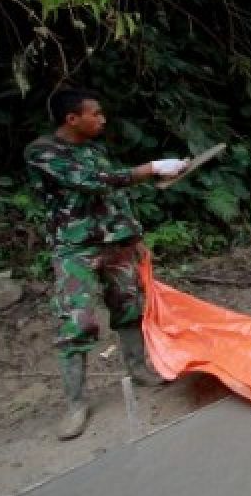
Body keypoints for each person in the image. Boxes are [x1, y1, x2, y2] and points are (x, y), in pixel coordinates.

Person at [24, 88, 188, 440]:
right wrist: (151, 168)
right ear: (72, 119)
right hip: (74, 249)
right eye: (95, 114)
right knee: (76, 321)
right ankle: (75, 404)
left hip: (115, 244)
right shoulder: (42, 153)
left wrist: (135, 238)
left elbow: (114, 195)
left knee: (129, 307)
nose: (102, 119)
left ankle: (138, 369)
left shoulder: (95, 150)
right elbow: (90, 183)